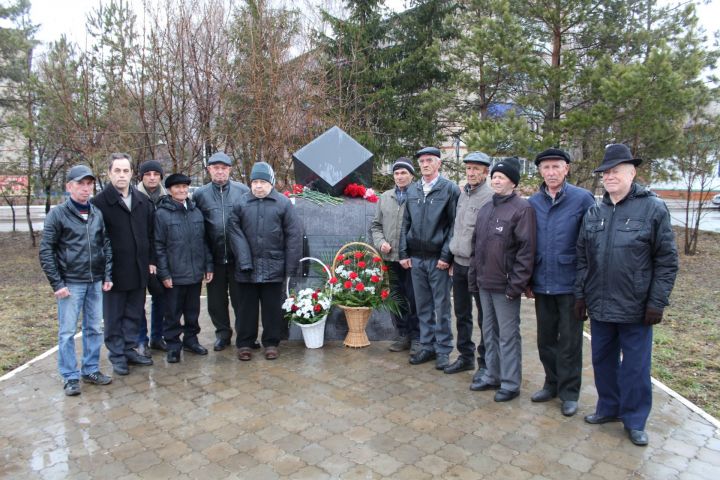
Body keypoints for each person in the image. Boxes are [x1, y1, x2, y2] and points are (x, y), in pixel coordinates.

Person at [576, 144, 678, 446]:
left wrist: (657, 302)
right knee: (603, 361)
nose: (609, 177)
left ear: (632, 173)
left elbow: (666, 260)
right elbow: (583, 257)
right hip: (600, 305)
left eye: (616, 171)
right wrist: (581, 296)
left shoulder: (653, 208)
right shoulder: (595, 211)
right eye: (605, 172)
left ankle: (634, 420)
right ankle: (608, 408)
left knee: (635, 367)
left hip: (636, 307)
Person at [526, 148, 596, 417]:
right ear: (540, 171)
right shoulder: (533, 202)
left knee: (570, 341)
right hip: (542, 281)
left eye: (556, 167)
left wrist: (585, 285)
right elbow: (528, 243)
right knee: (545, 340)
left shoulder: (582, 199)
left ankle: (569, 393)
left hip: (570, 284)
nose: (551, 172)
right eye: (546, 168)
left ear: (566, 168)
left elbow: (592, 244)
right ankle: (551, 383)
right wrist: (528, 278)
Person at [39, 165, 114, 395]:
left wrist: (107, 274)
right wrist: (57, 284)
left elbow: (105, 245)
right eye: (80, 184)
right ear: (69, 186)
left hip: (95, 281)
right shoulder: (58, 214)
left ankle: (90, 369)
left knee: (93, 328)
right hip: (71, 283)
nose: (85, 188)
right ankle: (70, 376)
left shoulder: (96, 213)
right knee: (67, 331)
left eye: (89, 184)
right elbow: (46, 251)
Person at [468, 157, 536, 402]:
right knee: (488, 331)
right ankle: (491, 374)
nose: (496, 180)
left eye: (502, 177)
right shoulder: (487, 207)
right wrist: (474, 277)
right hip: (485, 283)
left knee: (508, 335)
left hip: (505, 286)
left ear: (513, 182)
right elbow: (476, 246)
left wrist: (516, 285)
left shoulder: (521, 209)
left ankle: (510, 382)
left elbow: (526, 251)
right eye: (494, 176)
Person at [227, 162, 303, 361]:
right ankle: (245, 344)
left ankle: (271, 343)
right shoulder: (241, 203)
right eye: (255, 182)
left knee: (272, 309)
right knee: (246, 309)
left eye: (262, 182)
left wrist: (291, 267)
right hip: (246, 268)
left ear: (271, 183)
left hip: (273, 266)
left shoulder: (283, 204)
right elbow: (233, 232)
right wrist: (244, 260)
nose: (258, 186)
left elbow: (293, 235)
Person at [92, 153, 155, 375]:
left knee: (134, 313)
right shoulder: (99, 203)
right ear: (109, 173)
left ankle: (129, 349)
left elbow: (150, 234)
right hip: (113, 273)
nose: (121, 175)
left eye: (125, 171)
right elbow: (95, 240)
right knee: (113, 317)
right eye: (117, 171)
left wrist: (151, 261)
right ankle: (117, 355)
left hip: (138, 270)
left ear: (131, 174)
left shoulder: (142, 201)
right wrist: (102, 271)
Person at [400, 146, 460, 370]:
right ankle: (427, 345)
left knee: (441, 307)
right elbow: (406, 223)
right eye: (422, 161)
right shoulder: (413, 190)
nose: (425, 164)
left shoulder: (449, 189)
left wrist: (447, 255)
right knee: (423, 305)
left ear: (438, 164)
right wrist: (404, 253)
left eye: (429, 160)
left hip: (438, 260)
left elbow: (454, 225)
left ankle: (443, 349)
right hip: (416, 259)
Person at [193, 152, 251, 351]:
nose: (220, 171)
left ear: (230, 170)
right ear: (209, 170)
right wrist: (206, 261)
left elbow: (249, 223)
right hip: (214, 258)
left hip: (237, 258)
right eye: (215, 168)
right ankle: (223, 334)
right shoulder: (200, 195)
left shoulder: (242, 191)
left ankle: (245, 335)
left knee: (241, 300)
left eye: (223, 168)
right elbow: (198, 230)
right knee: (216, 302)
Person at [154, 173, 214, 363]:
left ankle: (191, 340)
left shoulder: (196, 211)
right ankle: (173, 345)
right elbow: (158, 246)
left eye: (184, 187)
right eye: (177, 187)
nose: (181, 190)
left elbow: (204, 241)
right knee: (172, 313)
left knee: (192, 311)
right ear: (170, 190)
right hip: (174, 274)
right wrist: (164, 273)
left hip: (195, 273)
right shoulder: (161, 214)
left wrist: (208, 265)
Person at [446, 151, 493, 375]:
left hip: (479, 266)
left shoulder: (490, 197)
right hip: (459, 264)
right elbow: (458, 228)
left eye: (477, 169)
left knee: (484, 316)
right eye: (468, 168)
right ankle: (465, 356)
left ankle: (485, 363)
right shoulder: (463, 194)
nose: (471, 172)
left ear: (486, 172)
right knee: (462, 313)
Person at [370, 157, 420, 354]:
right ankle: (403, 334)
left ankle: (417, 337)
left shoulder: (418, 196)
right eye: (396, 173)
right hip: (390, 259)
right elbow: (375, 225)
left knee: (414, 299)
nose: (399, 177)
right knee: (396, 298)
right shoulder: (385, 197)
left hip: (411, 260)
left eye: (403, 173)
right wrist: (381, 242)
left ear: (411, 176)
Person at [136, 160, 168, 355]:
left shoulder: (166, 197)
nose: (152, 177)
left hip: (162, 257)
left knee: (161, 298)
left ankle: (158, 336)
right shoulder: (134, 197)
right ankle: (141, 340)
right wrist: (148, 261)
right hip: (140, 258)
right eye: (148, 174)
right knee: (139, 301)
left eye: (156, 174)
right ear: (141, 177)